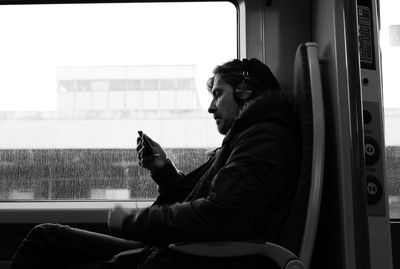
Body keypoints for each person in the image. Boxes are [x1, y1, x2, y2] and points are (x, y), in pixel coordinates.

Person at [9, 58, 301, 269]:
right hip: (177, 251)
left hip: (192, 258)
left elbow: (221, 216)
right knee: (46, 237)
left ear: (245, 91)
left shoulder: (264, 140)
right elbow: (199, 197)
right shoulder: (245, 139)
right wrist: (163, 170)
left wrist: (134, 223)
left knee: (46, 242)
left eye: (218, 94)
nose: (211, 107)